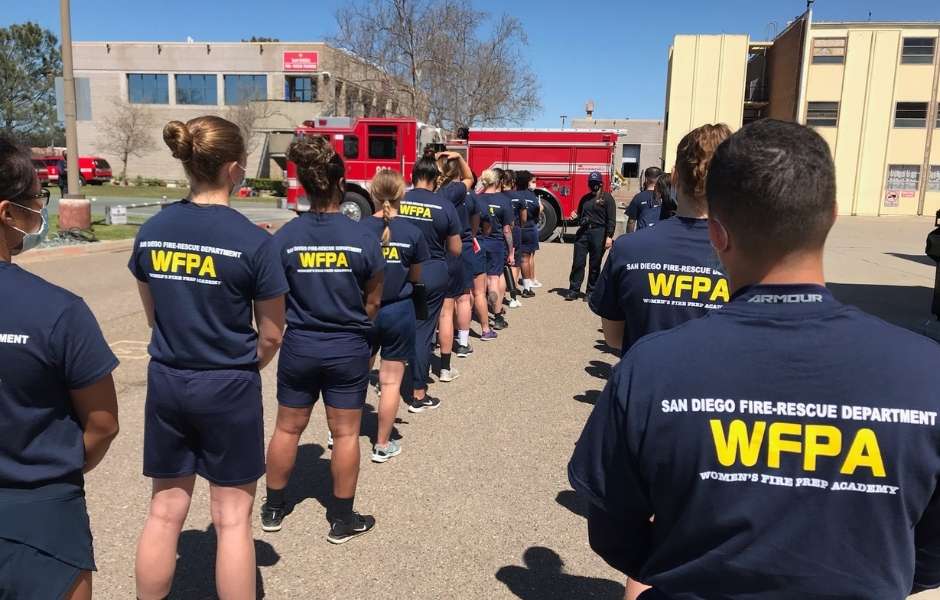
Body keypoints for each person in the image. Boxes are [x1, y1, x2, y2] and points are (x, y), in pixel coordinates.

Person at [569, 118, 940, 599]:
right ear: (830, 216)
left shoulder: (650, 369)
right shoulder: (925, 373)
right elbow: (929, 553)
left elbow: (613, 529)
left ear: (717, 234)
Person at [130, 116, 288, 599]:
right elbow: (272, 334)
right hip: (228, 384)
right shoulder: (254, 242)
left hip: (170, 380)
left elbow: (155, 317)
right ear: (235, 170)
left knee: (164, 511)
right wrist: (244, 365)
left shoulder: (153, 231)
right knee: (233, 519)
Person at [0, 136, 119, 600]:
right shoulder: (59, 311)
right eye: (36, 200)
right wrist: (49, 469)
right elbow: (103, 424)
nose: (39, 210)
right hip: (42, 518)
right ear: (8, 213)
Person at [261, 135, 383, 543]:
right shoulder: (364, 236)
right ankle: (342, 518)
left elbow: (272, 299)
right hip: (347, 346)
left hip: (300, 345)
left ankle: (274, 507)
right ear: (341, 183)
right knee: (346, 433)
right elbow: (373, 302)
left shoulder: (284, 237)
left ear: (306, 185)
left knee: (287, 429)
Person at [590, 124, 731, 356]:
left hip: (646, 387)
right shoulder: (755, 259)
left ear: (674, 176)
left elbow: (614, 338)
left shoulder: (628, 249)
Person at [362, 169, 429, 462]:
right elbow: (415, 278)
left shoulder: (358, 229)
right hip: (399, 311)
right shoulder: (413, 233)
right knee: (390, 382)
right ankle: (382, 443)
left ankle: (339, 433)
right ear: (402, 195)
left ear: (372, 194)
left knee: (356, 376)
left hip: (364, 310)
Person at [399, 154, 461, 411]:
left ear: (413, 177)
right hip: (431, 273)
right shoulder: (444, 205)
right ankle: (418, 392)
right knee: (423, 332)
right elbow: (456, 248)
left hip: (399, 269)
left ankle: (386, 380)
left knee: (392, 327)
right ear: (436, 180)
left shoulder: (399, 201)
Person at [435, 152, 475, 376]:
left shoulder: (430, 191)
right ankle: (452, 357)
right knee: (458, 302)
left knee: (433, 308)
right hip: (454, 251)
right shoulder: (456, 191)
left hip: (431, 252)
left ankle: (431, 341)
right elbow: (470, 177)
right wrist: (459, 157)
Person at [564, 171, 615, 301]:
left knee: (595, 264)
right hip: (583, 233)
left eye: (596, 182)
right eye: (591, 183)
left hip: (599, 233)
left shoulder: (607, 198)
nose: (593, 185)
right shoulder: (585, 199)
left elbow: (611, 219)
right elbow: (579, 216)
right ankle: (574, 290)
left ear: (601, 183)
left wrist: (609, 236)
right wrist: (574, 217)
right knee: (578, 263)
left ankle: (591, 291)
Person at [477, 168, 515, 329]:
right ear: (498, 182)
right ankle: (497, 315)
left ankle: (479, 310)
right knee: (494, 279)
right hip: (496, 243)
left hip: (478, 243)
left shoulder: (476, 199)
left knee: (478, 281)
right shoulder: (504, 200)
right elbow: (507, 229)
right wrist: (511, 251)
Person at [516, 170, 540, 297]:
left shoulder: (512, 195)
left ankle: (512, 287)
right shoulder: (532, 196)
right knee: (526, 258)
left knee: (514, 261)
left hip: (514, 230)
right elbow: (537, 213)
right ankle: (527, 288)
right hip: (528, 229)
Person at [505, 169, 525, 307]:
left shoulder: (498, 196)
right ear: (513, 182)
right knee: (515, 262)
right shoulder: (519, 197)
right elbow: (524, 217)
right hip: (515, 230)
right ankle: (512, 292)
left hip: (500, 231)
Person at [625, 167, 663, 232]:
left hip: (641, 236)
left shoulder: (638, 197)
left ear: (646, 179)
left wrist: (629, 237)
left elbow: (631, 222)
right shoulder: (664, 196)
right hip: (660, 235)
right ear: (660, 178)